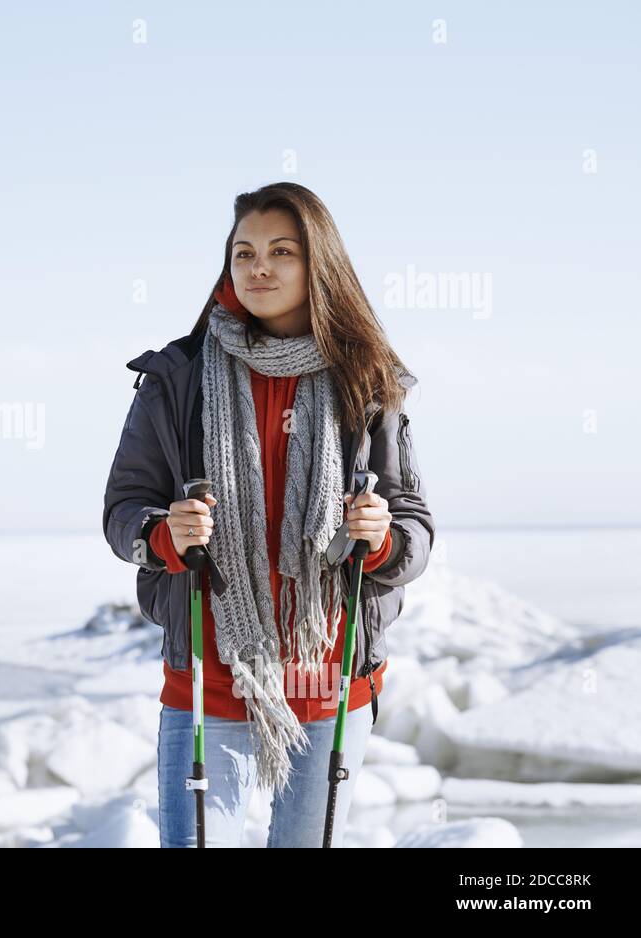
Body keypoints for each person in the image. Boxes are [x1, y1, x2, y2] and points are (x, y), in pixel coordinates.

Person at [101, 182, 435, 847]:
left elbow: (414, 526)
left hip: (330, 682)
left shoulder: (365, 379)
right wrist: (163, 535)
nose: (259, 267)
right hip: (210, 681)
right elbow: (121, 512)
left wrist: (381, 538)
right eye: (244, 252)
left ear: (319, 264)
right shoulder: (179, 378)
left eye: (282, 252)